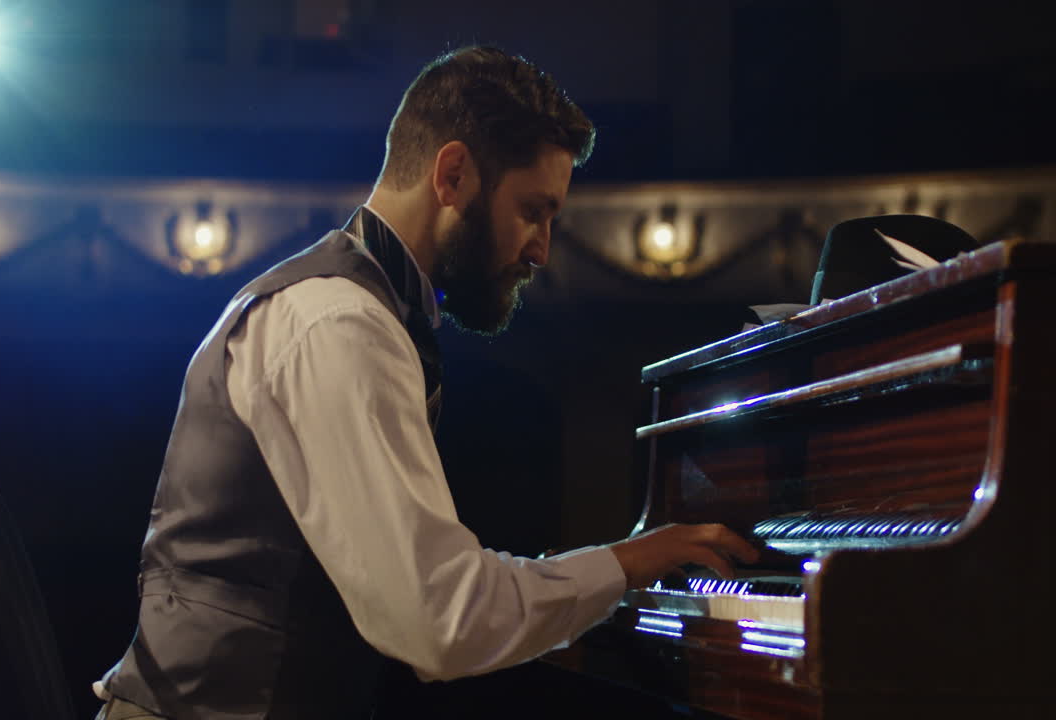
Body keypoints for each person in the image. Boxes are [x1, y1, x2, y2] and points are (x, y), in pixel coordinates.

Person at [94, 46, 757, 720]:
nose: (541, 249)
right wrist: (626, 564)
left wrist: (582, 580)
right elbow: (439, 619)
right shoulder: (339, 323)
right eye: (534, 210)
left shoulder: (351, 308)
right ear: (454, 174)